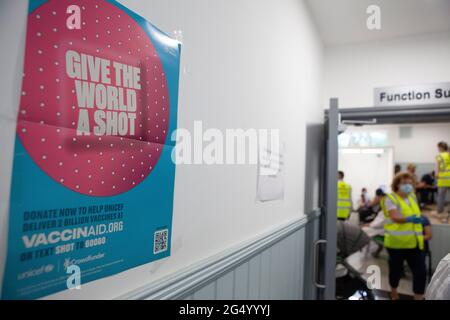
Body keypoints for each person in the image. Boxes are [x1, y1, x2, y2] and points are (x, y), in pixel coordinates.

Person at [382, 172, 426, 300]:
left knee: (420, 273)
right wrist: (409, 219)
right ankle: (394, 293)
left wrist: (420, 219)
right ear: (397, 185)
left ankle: (418, 297)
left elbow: (416, 214)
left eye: (410, 183)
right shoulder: (391, 198)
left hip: (415, 242)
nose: (408, 186)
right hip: (397, 243)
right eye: (404, 183)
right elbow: (394, 216)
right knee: (396, 271)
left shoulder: (412, 197)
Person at [435, 142, 450, 216]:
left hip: (443, 179)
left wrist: (436, 175)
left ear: (441, 148)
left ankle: (440, 211)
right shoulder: (449, 154)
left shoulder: (439, 156)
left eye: (438, 148)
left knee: (441, 196)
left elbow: (437, 167)